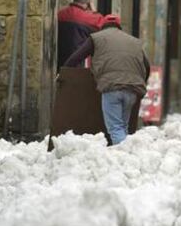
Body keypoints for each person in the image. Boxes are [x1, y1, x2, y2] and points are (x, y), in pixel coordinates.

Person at [64, 14, 150, 145]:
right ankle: (126, 155)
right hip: (133, 90)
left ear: (102, 26)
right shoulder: (134, 41)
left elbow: (76, 57)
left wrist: (64, 71)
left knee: (115, 128)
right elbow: (147, 66)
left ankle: (122, 158)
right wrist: (142, 82)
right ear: (119, 27)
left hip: (111, 88)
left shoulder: (96, 38)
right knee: (123, 127)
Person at [57, 0, 104, 71]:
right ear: (88, 2)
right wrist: (94, 11)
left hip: (60, 60)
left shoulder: (60, 14)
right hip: (79, 63)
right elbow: (103, 27)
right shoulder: (90, 18)